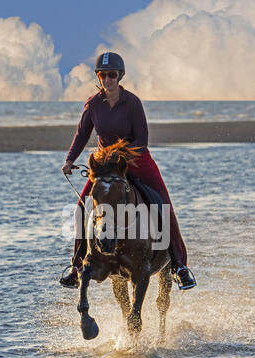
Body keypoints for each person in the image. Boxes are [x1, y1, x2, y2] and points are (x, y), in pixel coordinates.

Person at [61, 51, 196, 290]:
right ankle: (76, 265)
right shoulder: (93, 104)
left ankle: (179, 266)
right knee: (81, 208)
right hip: (106, 166)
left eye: (112, 75)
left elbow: (142, 139)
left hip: (137, 161)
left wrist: (119, 154)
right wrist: (70, 159)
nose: (108, 79)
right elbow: (82, 134)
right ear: (99, 77)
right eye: (103, 75)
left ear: (119, 76)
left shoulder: (132, 102)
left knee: (163, 205)